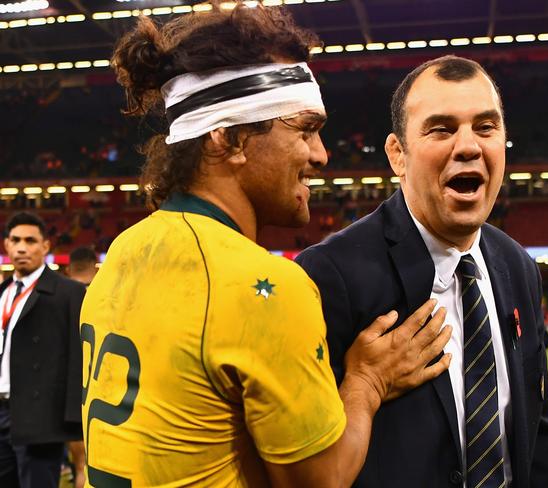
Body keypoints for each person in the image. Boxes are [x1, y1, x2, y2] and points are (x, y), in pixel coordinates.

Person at [80, 4, 452, 487]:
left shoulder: (123, 252)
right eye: (305, 129)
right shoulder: (265, 287)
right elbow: (321, 481)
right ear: (230, 138)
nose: (320, 155)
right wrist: (366, 383)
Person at [297, 55, 548, 487]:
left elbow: (540, 433)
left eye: (485, 127)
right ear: (397, 155)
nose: (468, 146)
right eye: (441, 129)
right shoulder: (330, 276)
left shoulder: (518, 266)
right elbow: (307, 467)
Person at [0, 212, 86, 488]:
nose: (22, 247)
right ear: (6, 245)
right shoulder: (2, 292)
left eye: (30, 240)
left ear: (46, 246)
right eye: (15, 240)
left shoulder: (68, 292)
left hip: (40, 418)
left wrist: (74, 419)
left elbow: (78, 356)